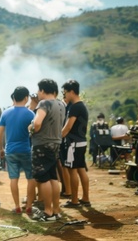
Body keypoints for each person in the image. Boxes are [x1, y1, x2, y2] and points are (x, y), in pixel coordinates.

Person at [28, 78, 65, 221]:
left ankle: (48, 211)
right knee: (52, 177)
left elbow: (37, 123)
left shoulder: (44, 103)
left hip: (42, 144)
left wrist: (31, 129)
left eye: (38, 90)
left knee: (43, 178)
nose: (38, 93)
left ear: (42, 90)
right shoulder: (61, 104)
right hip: (56, 143)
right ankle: (56, 210)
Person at [0, 86, 35, 214]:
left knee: (14, 179)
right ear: (26, 98)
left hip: (10, 150)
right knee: (31, 178)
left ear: (14, 97)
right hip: (26, 150)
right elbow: (34, 131)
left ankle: (17, 206)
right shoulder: (30, 113)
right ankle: (29, 206)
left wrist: (1, 148)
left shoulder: (6, 113)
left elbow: (0, 131)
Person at [61, 79, 90, 208]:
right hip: (81, 142)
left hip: (73, 144)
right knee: (81, 169)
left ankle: (74, 200)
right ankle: (85, 198)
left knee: (73, 170)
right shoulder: (81, 106)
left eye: (65, 92)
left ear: (72, 91)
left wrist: (57, 138)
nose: (65, 95)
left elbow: (68, 127)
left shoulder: (75, 107)